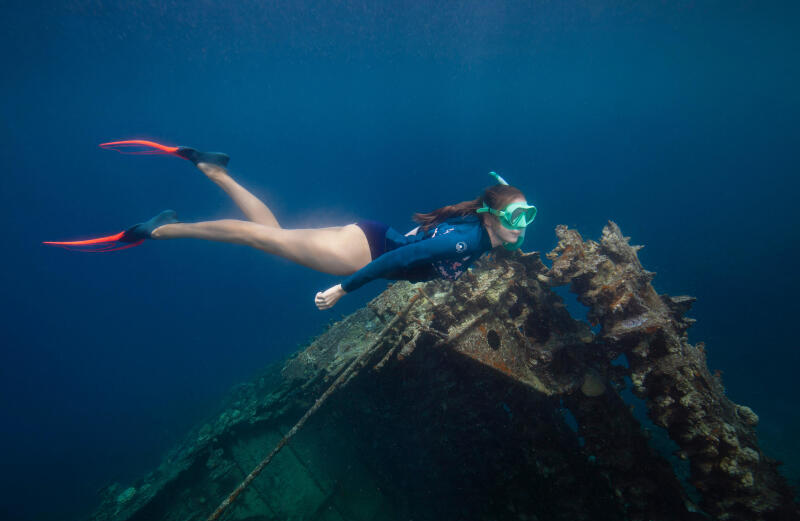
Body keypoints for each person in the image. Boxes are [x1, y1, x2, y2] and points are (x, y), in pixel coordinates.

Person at [44, 141, 537, 310]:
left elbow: (484, 208)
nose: (524, 226)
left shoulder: (481, 226)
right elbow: (403, 260)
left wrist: (504, 194)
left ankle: (213, 168)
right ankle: (157, 229)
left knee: (273, 235)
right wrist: (344, 289)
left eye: (528, 216)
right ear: (492, 217)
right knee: (262, 238)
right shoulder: (468, 239)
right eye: (517, 217)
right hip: (363, 254)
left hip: (367, 234)